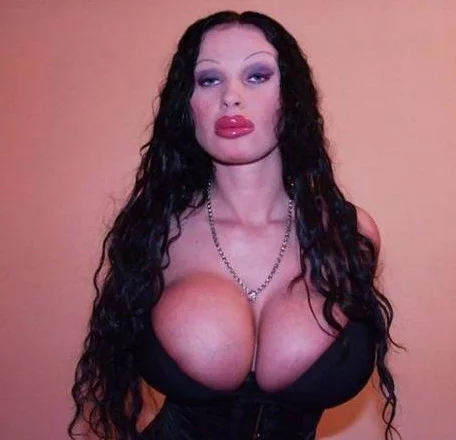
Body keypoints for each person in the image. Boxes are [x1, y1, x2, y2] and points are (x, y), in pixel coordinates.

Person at [69, 10, 399, 440]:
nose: (231, 97)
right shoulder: (153, 233)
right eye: (209, 79)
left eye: (257, 76)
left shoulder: (350, 234)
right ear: (187, 105)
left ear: (291, 96)